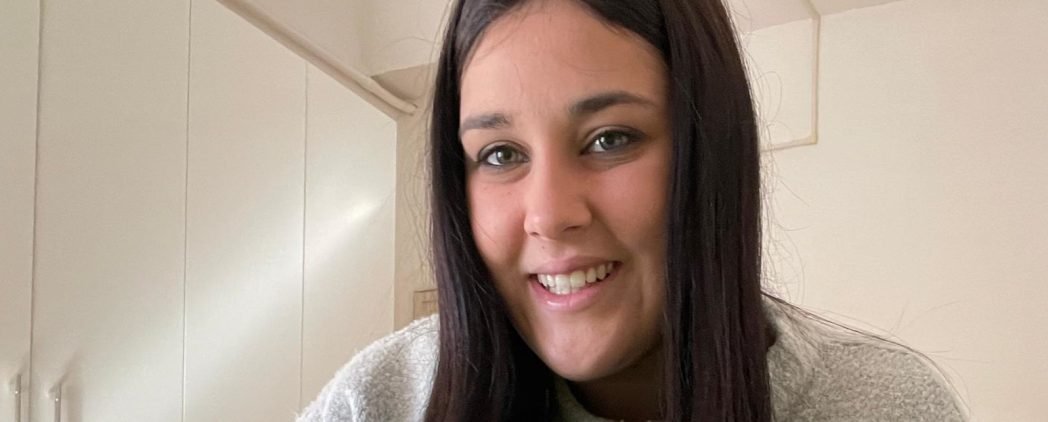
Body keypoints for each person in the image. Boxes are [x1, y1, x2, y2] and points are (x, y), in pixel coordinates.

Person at [298, 0, 969, 420]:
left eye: (610, 139)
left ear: (707, 152)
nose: (549, 214)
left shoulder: (875, 405)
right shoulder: (384, 399)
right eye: (500, 154)